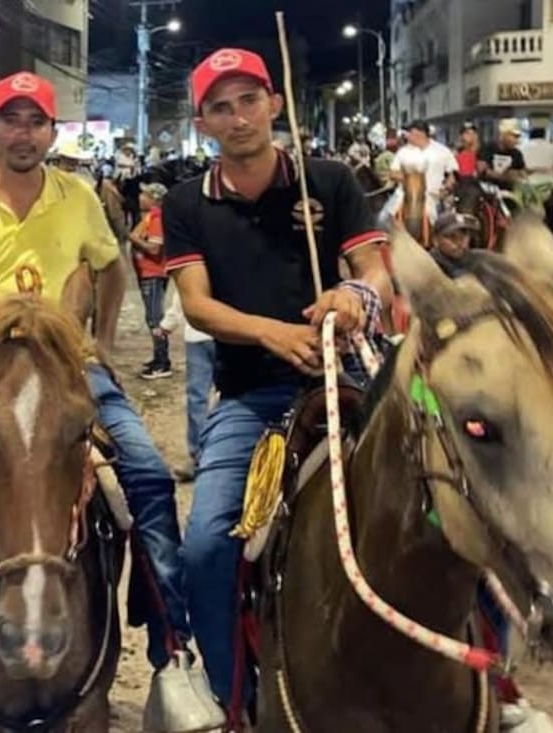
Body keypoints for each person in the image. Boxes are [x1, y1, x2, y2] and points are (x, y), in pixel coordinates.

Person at [0, 70, 222, 733]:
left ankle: (171, 655)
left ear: (51, 132)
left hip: (70, 370)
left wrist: (96, 343)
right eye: (10, 121)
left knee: (147, 477)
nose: (23, 133)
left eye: (36, 122)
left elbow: (109, 267)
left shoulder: (77, 196)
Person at [164, 46, 392, 717]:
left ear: (275, 104)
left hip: (349, 378)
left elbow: (376, 271)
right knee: (206, 545)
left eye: (249, 100)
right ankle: (230, 697)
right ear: (203, 123)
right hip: (250, 395)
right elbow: (197, 305)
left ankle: (499, 684)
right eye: (221, 107)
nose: (239, 118)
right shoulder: (186, 202)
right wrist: (272, 332)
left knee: (454, 493)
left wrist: (353, 296)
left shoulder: (330, 180)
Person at [159, 285, 215, 482]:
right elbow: (184, 291)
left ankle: (205, 455)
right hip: (204, 336)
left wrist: (169, 323)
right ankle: (200, 456)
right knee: (200, 397)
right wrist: (169, 322)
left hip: (216, 335)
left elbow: (183, 292)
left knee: (199, 398)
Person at [129, 181, 172, 379]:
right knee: (152, 317)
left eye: (145, 195)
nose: (140, 198)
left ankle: (162, 362)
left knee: (155, 318)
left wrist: (134, 238)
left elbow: (154, 249)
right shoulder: (149, 217)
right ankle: (158, 357)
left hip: (153, 273)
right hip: (148, 272)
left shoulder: (156, 218)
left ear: (154, 199)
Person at [390, 119, 458, 223]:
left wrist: (447, 189)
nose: (407, 136)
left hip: (433, 196)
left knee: (445, 224)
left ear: (419, 134)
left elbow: (452, 173)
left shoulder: (442, 151)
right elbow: (393, 173)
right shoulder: (403, 152)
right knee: (382, 219)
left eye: (410, 133)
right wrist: (410, 178)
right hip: (404, 196)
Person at [478, 118, 526, 189]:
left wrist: (518, 174)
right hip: (488, 189)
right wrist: (505, 177)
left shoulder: (517, 154)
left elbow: (522, 173)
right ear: (503, 135)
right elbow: (482, 170)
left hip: (509, 191)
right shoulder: (487, 149)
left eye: (517, 137)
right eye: (513, 136)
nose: (516, 141)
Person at [430, 211, 480, 278]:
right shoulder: (429, 266)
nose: (460, 242)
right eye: (452, 236)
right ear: (435, 240)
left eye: (464, 236)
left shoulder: (477, 260)